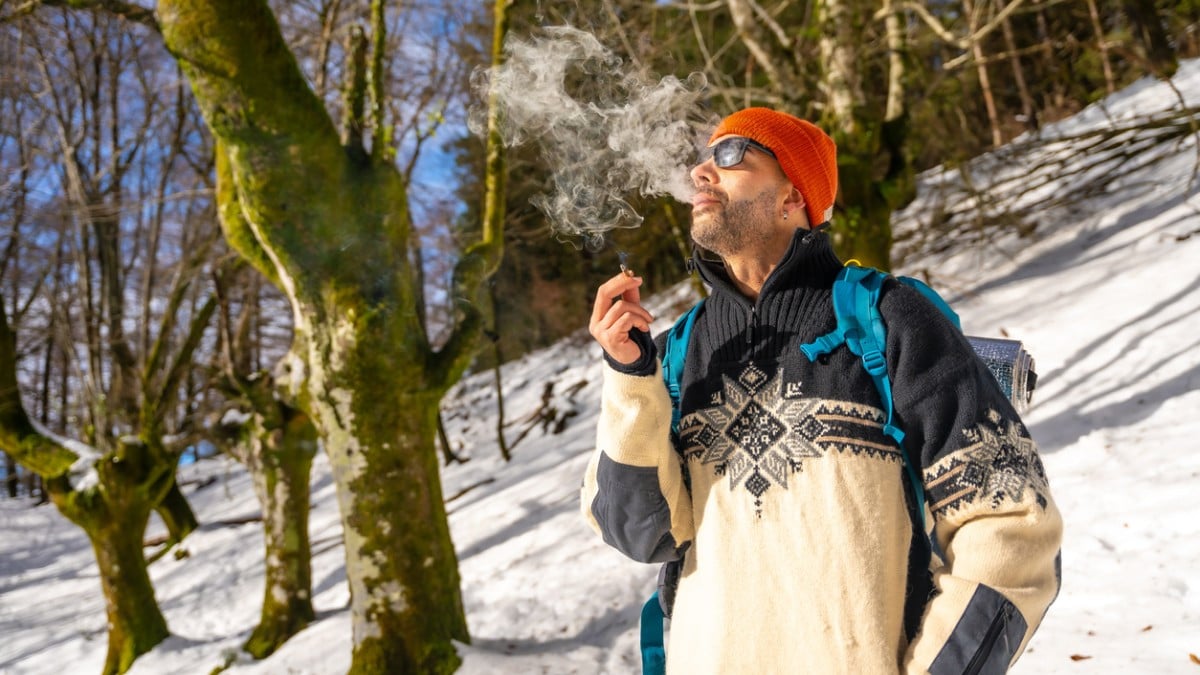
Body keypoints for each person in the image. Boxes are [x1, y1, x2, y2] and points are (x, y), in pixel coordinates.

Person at [581, 107, 1062, 674]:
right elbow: (641, 534)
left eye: (734, 155)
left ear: (793, 197)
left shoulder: (890, 318)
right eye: (704, 158)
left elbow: (1011, 523)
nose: (703, 172)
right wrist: (632, 380)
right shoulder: (677, 352)